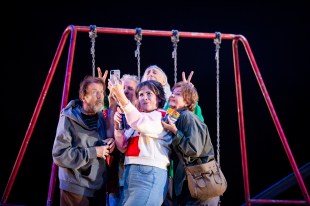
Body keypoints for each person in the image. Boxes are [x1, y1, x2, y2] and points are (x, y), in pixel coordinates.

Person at [52, 75, 115, 206]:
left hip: (97, 187)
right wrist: (94, 152)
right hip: (75, 188)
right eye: (94, 92)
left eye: (102, 92)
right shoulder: (68, 118)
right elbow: (59, 155)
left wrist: (110, 143)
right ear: (84, 97)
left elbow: (99, 145)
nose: (100, 96)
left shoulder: (100, 118)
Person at [108, 79, 172, 206]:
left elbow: (141, 123)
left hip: (149, 173)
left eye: (149, 94)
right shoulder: (137, 119)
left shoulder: (164, 116)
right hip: (130, 172)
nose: (145, 98)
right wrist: (117, 127)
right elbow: (122, 146)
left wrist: (121, 97)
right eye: (141, 95)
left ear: (159, 98)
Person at [162, 81, 219, 206]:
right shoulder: (178, 117)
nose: (172, 95)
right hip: (192, 187)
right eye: (172, 93)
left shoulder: (188, 117)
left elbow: (193, 150)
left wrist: (175, 131)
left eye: (177, 94)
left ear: (187, 102)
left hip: (201, 188)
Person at [104, 74, 140, 206]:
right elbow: (108, 135)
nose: (125, 91)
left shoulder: (142, 113)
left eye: (130, 88)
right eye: (123, 87)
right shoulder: (114, 110)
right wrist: (112, 105)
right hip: (116, 178)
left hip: (136, 179)